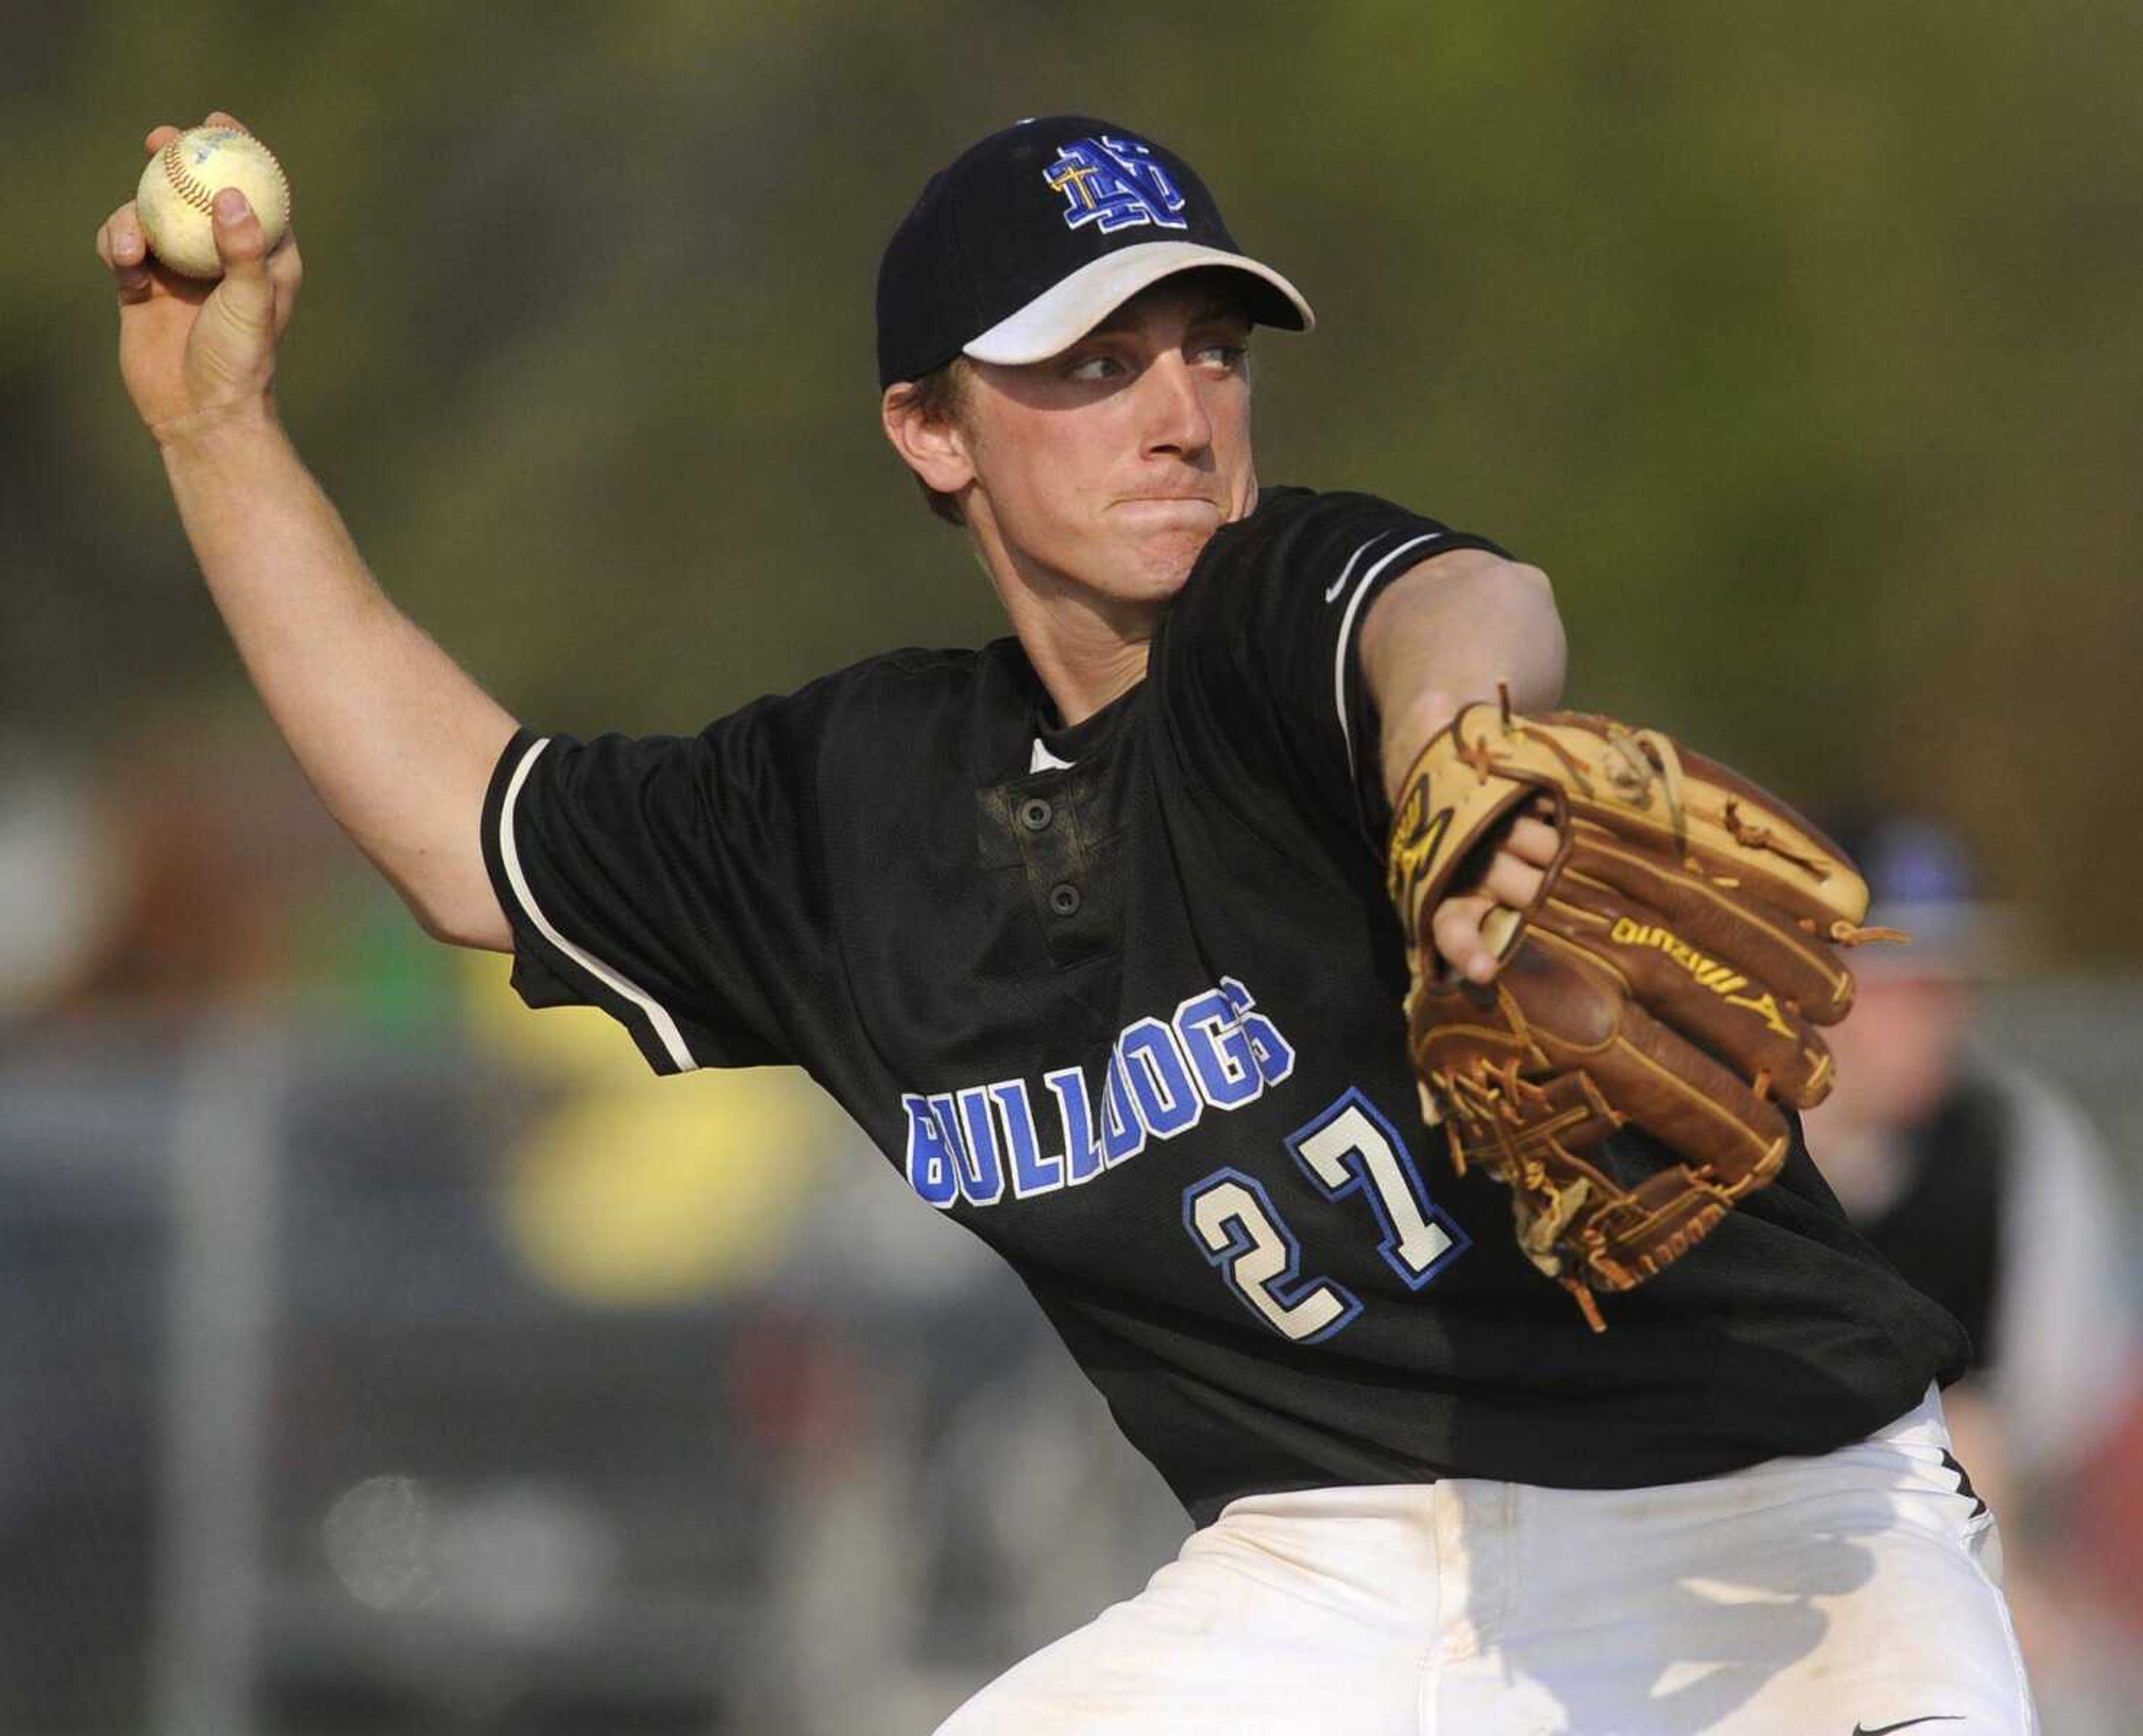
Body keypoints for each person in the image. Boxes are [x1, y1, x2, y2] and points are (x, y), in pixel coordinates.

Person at [99, 110, 2038, 1733]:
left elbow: (1460, 596)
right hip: (1328, 1570)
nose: (1179, 412)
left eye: (1212, 348)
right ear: (933, 434)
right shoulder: (853, 813)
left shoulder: (1284, 635)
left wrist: (1462, 749)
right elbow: (464, 836)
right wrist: (217, 434)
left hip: (1766, 1529)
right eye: (1093, 366)